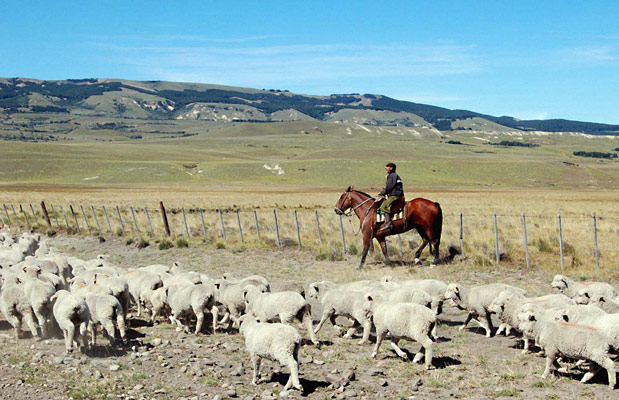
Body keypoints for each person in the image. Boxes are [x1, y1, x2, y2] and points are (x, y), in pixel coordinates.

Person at [377, 162, 403, 232]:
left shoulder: (392, 176)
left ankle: (388, 224)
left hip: (395, 195)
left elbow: (389, 187)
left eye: (387, 167)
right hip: (396, 194)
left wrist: (383, 192)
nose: (386, 168)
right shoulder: (394, 175)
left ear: (391, 168)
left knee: (383, 207)